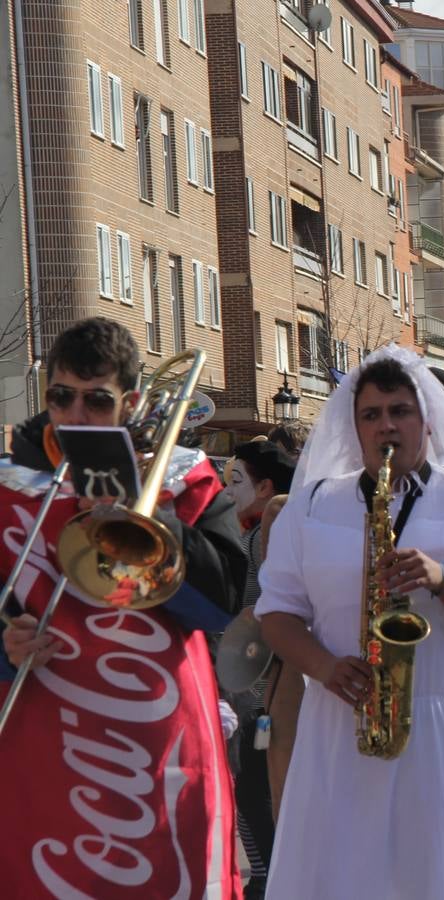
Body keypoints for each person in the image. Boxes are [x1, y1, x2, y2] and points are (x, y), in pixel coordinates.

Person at [255, 347, 444, 899]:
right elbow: (275, 612)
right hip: (339, 723)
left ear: (428, 421)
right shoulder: (314, 504)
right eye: (371, 414)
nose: (386, 425)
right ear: (354, 426)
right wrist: (324, 666)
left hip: (440, 729)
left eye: (400, 411)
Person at [0, 316, 247, 897]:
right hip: (47, 744)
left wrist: (146, 518)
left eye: (96, 400)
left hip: (153, 752)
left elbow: (221, 606)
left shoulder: (185, 480)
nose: (76, 415)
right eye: (62, 397)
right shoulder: (10, 486)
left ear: (131, 402)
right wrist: (6, 644)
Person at [222, 439, 296, 899]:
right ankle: (267, 874)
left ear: (266, 487)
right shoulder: (245, 530)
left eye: (237, 482)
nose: (228, 491)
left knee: (255, 783)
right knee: (248, 785)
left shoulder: (270, 530)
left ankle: (275, 875)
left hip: (265, 680)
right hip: (249, 678)